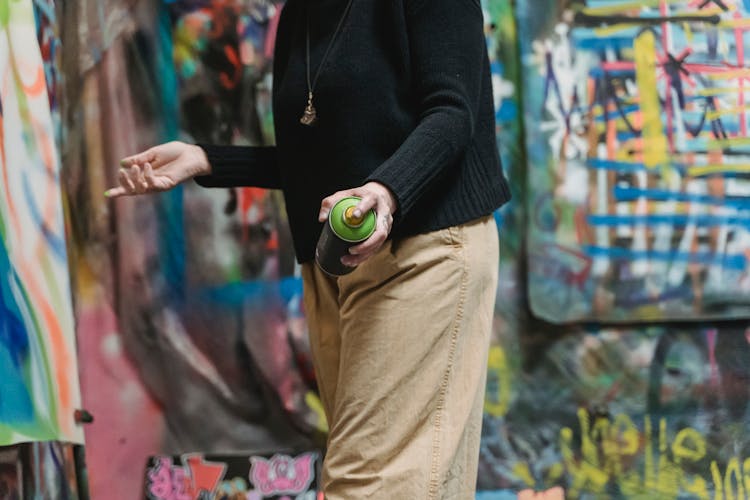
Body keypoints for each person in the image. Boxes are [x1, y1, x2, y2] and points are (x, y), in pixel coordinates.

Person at [106, 0, 511, 497]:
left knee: (369, 483)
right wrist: (206, 160)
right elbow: (320, 157)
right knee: (416, 480)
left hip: (423, 252)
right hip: (335, 264)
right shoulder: (302, 13)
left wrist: (387, 192)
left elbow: (452, 113)